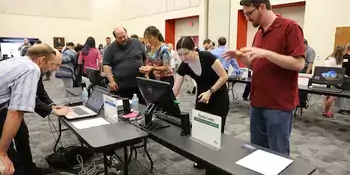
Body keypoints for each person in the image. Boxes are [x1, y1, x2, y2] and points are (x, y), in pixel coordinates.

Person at [223, 0, 305, 156]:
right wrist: (241, 57)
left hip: (279, 105)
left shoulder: (290, 27)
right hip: (257, 102)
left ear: (261, 7)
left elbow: (299, 64)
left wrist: (267, 54)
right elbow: (256, 66)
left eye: (249, 13)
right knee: (257, 152)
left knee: (278, 154)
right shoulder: (259, 32)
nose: (247, 18)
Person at [0, 44, 65, 175]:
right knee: (6, 158)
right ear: (42, 60)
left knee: (22, 133)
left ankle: (28, 168)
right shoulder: (32, 69)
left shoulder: (22, 62)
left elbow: (35, 92)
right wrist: (2, 153)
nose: (56, 69)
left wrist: (51, 106)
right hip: (4, 108)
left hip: (4, 105)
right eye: (54, 64)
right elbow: (16, 112)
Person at [173, 37, 229, 172]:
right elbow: (175, 89)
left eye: (186, 53)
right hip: (202, 98)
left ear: (194, 49)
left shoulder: (207, 57)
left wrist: (210, 91)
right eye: (179, 54)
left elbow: (224, 76)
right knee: (201, 132)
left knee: (216, 134)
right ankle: (203, 160)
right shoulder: (184, 65)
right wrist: (167, 100)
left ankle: (215, 165)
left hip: (218, 96)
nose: (183, 57)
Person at [103, 27, 147, 103]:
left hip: (140, 85)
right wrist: (112, 81)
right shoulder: (110, 48)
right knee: (125, 109)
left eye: (124, 36)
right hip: (122, 86)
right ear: (115, 38)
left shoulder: (137, 43)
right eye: (120, 38)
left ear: (127, 33)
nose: (123, 39)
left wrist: (146, 71)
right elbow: (106, 65)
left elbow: (145, 59)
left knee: (142, 107)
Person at [323, 46, 344, 118]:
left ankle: (326, 111)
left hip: (327, 78)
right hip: (334, 79)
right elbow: (338, 71)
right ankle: (326, 112)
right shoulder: (336, 60)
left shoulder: (329, 58)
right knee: (333, 97)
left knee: (328, 95)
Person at [337, 43, 350, 114]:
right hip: (346, 77)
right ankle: (342, 109)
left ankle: (348, 109)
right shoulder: (345, 57)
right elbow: (342, 68)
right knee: (344, 94)